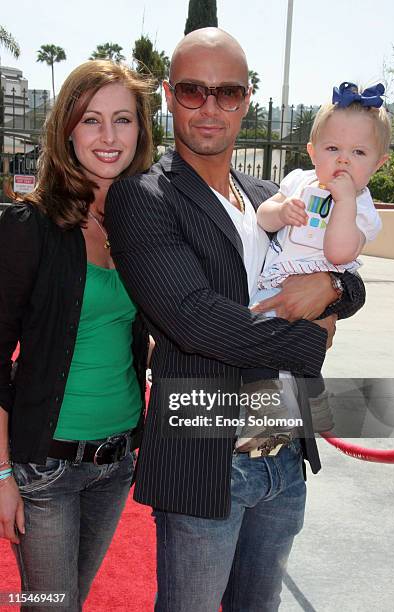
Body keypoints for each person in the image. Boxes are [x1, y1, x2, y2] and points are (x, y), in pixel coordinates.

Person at [105, 28, 366, 611]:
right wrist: (310, 341)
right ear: (169, 95)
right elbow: (195, 319)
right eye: (194, 91)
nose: (210, 107)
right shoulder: (144, 196)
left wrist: (332, 286)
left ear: (247, 97)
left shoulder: (274, 193)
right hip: (206, 462)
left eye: (227, 93)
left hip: (284, 456)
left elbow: (348, 270)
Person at [0, 60, 153, 611]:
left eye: (123, 120)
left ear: (141, 130)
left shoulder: (141, 227)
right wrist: (0, 475)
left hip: (116, 464)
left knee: (72, 602)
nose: (109, 137)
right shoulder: (29, 227)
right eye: (92, 120)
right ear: (67, 129)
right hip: (47, 468)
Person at [236, 82, 392, 447]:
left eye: (358, 152)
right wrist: (281, 210)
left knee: (276, 340)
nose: (343, 160)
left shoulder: (364, 209)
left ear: (378, 163)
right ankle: (310, 403)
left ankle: (272, 414)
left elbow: (340, 254)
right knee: (257, 336)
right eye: (333, 148)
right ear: (312, 151)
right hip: (277, 278)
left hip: (314, 286)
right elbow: (263, 216)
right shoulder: (298, 181)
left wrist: (345, 203)